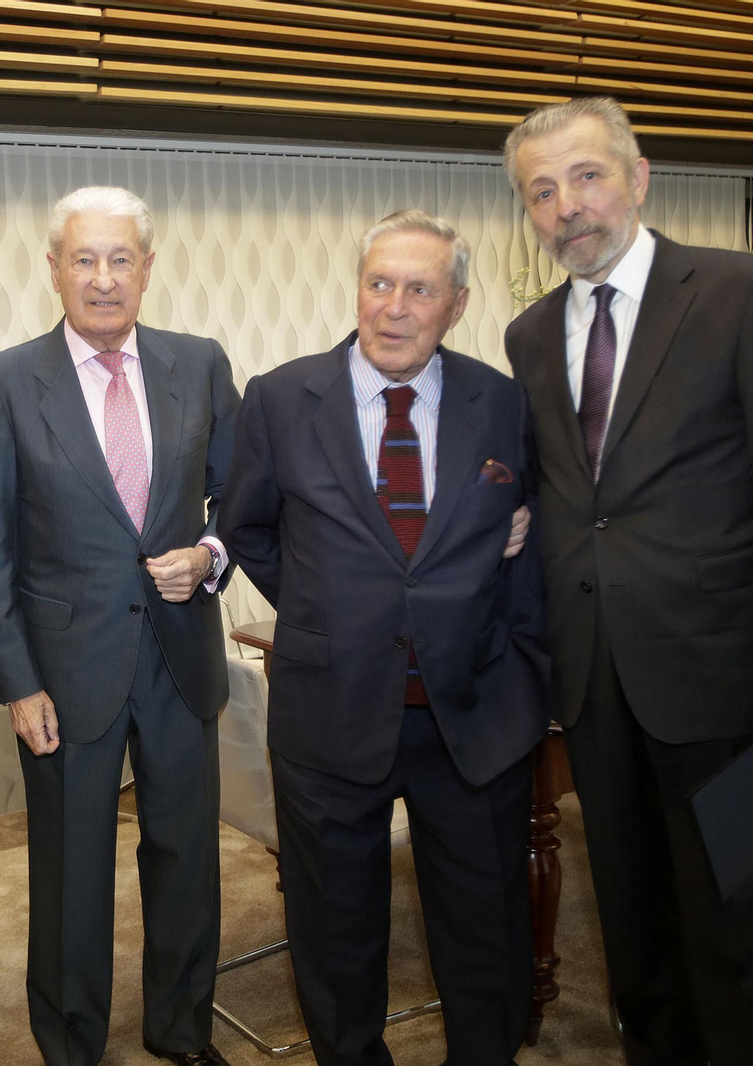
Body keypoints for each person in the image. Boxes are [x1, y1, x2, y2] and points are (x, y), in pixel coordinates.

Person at [501, 97, 753, 1065]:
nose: (566, 206)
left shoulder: (747, 293)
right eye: (540, 191)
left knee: (737, 943)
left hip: (731, 692)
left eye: (585, 176)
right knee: (638, 944)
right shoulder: (528, 337)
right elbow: (566, 494)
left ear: (638, 176)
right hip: (597, 691)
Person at [219, 210, 548, 1066]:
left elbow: (533, 525)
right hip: (330, 714)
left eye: (420, 289)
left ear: (458, 304)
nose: (394, 308)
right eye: (378, 284)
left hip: (471, 717)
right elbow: (248, 526)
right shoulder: (282, 397)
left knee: (486, 933)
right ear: (358, 288)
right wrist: (332, 612)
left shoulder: (502, 400)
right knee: (336, 939)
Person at [0, 186, 239, 1066]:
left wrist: (211, 553)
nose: (104, 278)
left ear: (148, 269)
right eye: (84, 259)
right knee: (72, 873)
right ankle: (71, 1042)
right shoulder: (3, 383)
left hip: (180, 653)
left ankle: (182, 1029)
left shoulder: (199, 364)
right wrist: (17, 683)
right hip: (64, 673)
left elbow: (237, 498)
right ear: (54, 270)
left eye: (122, 259)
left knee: (187, 857)